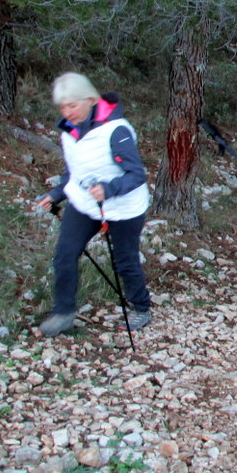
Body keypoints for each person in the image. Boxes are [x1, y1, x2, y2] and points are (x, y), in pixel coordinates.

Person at [35, 73, 152, 336]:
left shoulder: (116, 130)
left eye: (72, 105)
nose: (67, 112)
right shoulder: (69, 130)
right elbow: (74, 171)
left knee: (125, 261)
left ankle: (141, 308)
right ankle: (63, 313)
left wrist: (109, 189)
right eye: (63, 107)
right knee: (65, 254)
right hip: (84, 202)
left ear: (90, 100)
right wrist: (56, 194)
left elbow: (137, 174)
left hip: (124, 207)